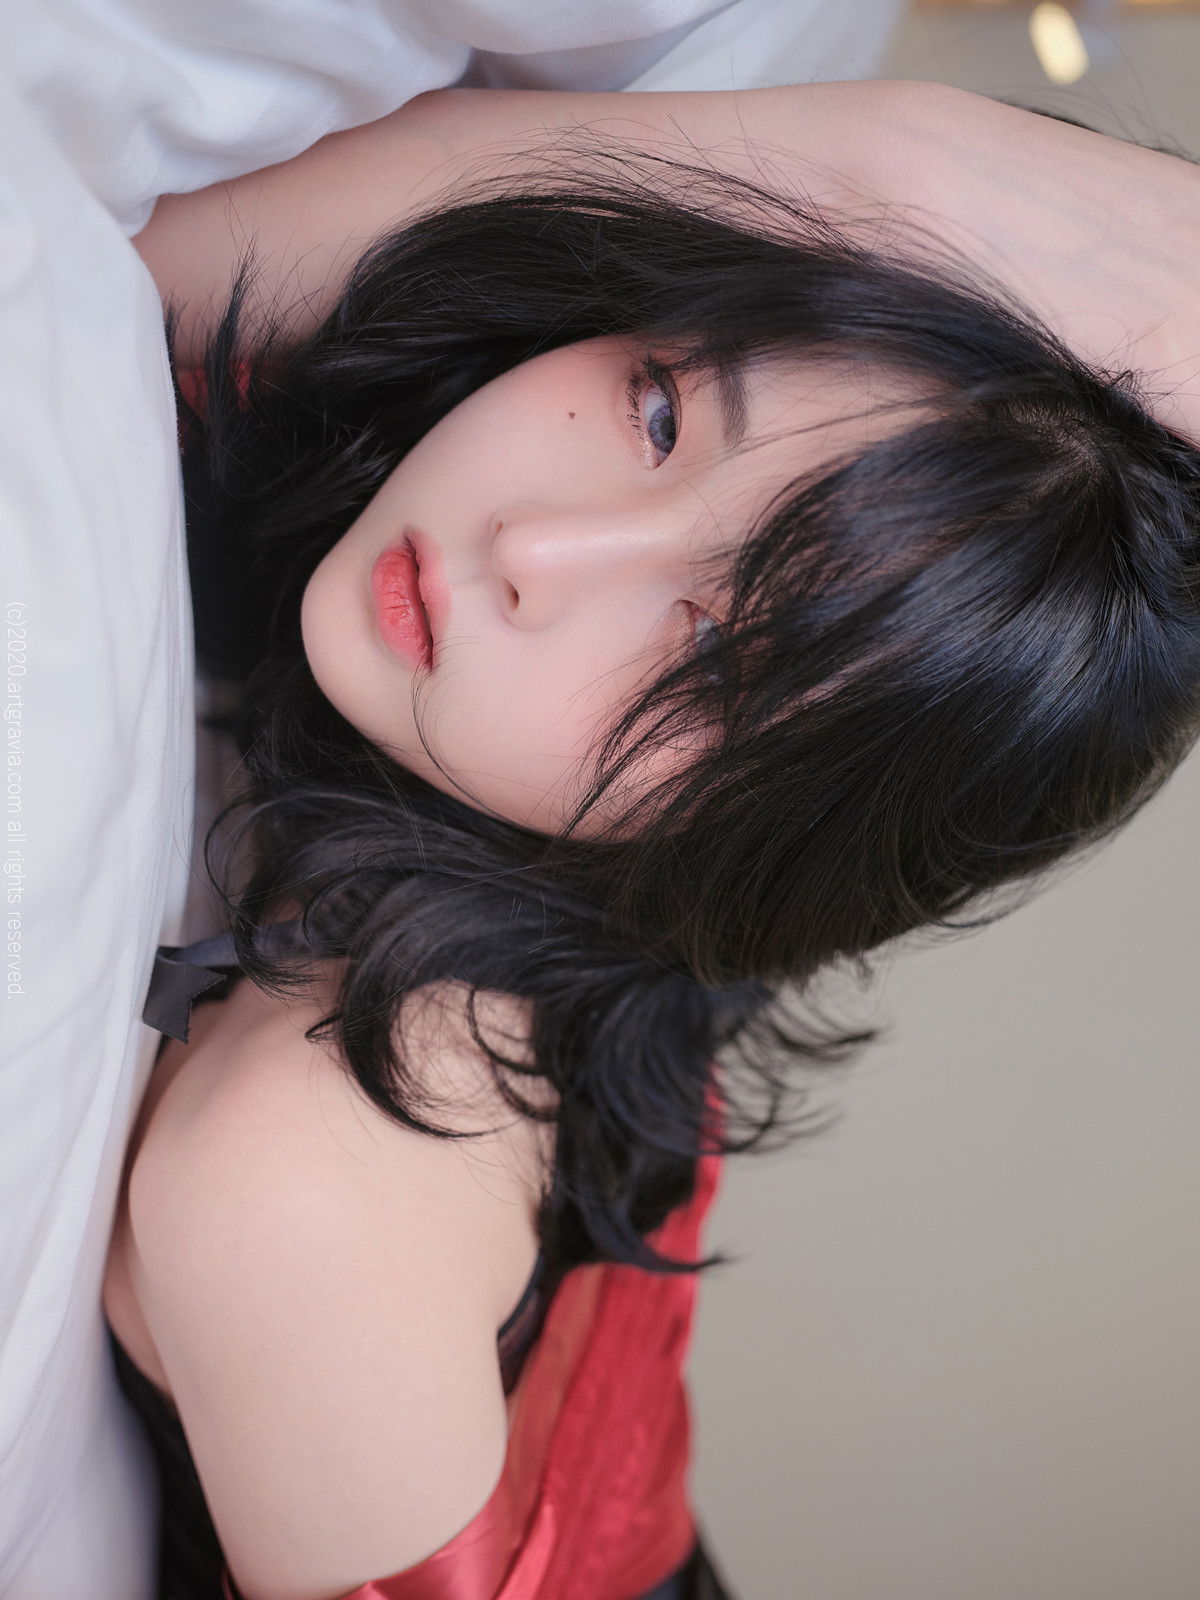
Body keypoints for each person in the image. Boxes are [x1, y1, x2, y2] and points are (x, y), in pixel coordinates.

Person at [102, 80, 1200, 1600]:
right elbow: (85, 272)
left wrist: (907, 163)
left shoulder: (309, 1171)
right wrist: (898, 162)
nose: (536, 549)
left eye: (714, 666)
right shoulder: (597, 927)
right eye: (664, 410)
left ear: (774, 835)